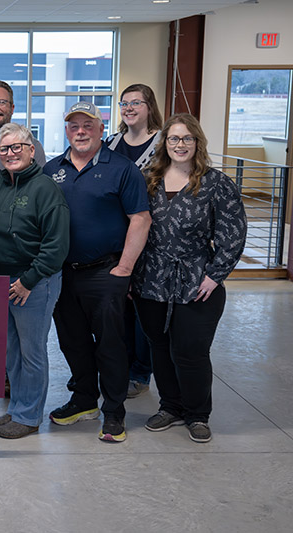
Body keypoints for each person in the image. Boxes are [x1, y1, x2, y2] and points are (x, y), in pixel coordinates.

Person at [133, 113, 246, 443]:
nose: (179, 145)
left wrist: (215, 275)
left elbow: (233, 232)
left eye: (186, 139)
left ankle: (197, 414)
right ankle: (170, 406)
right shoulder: (146, 180)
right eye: (173, 139)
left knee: (191, 350)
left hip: (198, 280)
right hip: (150, 279)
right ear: (164, 143)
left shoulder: (215, 183)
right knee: (160, 346)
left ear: (197, 142)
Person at [43, 101, 151, 443]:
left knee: (110, 344)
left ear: (102, 129)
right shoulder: (52, 169)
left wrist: (125, 267)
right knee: (72, 342)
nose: (80, 131)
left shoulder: (122, 169)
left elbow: (141, 218)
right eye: (74, 125)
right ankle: (84, 400)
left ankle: (114, 412)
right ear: (66, 130)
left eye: (87, 125)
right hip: (63, 273)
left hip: (106, 272)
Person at [0, 123, 69, 439]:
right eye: (4, 149)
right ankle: (17, 408)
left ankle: (30, 416)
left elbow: (56, 245)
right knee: (12, 351)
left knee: (32, 351)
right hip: (1, 280)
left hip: (34, 281)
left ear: (32, 150)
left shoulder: (45, 188)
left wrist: (28, 280)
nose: (10, 153)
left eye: (17, 147)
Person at [106, 84, 164, 399]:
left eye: (136, 103)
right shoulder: (112, 143)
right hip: (117, 237)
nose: (128, 108)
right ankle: (122, 366)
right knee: (119, 308)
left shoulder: (162, 144)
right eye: (124, 103)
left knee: (144, 307)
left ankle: (141, 371)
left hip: (150, 237)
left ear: (149, 106)